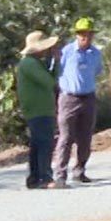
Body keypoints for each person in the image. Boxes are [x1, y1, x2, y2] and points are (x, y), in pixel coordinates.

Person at [51, 17, 104, 185]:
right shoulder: (66, 52)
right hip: (68, 98)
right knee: (66, 137)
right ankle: (60, 174)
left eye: (88, 34)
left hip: (88, 97)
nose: (85, 38)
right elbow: (55, 71)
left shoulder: (95, 54)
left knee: (85, 137)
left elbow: (96, 71)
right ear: (76, 35)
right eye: (82, 34)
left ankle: (79, 170)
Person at [16, 30, 61, 189]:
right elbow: (50, 82)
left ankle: (34, 177)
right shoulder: (29, 63)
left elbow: (53, 79)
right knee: (44, 143)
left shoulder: (36, 62)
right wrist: (55, 63)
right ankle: (44, 177)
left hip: (42, 108)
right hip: (38, 109)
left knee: (37, 144)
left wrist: (55, 63)